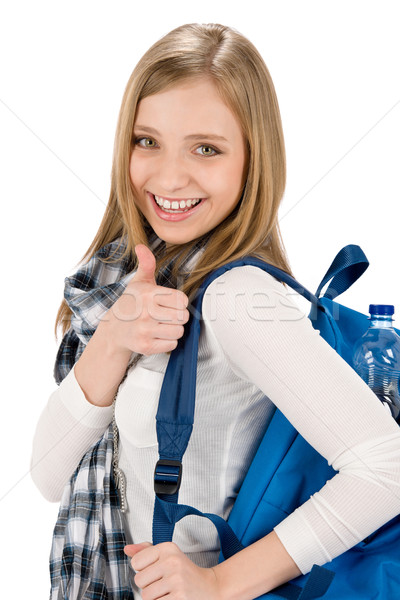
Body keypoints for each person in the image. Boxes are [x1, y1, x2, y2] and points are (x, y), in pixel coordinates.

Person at [31, 23, 400, 600]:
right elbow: (49, 477)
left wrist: (220, 583)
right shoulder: (126, 280)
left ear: (253, 159)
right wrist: (113, 338)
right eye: (147, 141)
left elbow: (387, 468)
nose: (169, 176)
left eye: (206, 148)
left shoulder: (234, 299)